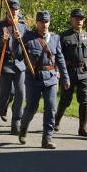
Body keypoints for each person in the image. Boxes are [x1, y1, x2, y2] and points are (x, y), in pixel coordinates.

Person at [19, 11, 69, 149]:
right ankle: (23, 127)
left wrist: (65, 78)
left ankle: (47, 139)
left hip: (51, 78)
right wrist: (18, 42)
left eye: (46, 22)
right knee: (31, 108)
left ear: (49, 22)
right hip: (34, 78)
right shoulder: (28, 38)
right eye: (41, 22)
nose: (44, 24)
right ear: (37, 23)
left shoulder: (55, 38)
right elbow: (17, 54)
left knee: (51, 109)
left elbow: (60, 59)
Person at [0, 0, 28, 136]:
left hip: (20, 64)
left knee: (21, 93)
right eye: (11, 9)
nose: (14, 11)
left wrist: (20, 39)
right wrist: (2, 40)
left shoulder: (23, 26)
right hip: (6, 64)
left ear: (19, 10)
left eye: (16, 9)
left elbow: (28, 45)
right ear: (7, 10)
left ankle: (16, 123)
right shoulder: (1, 25)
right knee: (5, 94)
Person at [56, 8, 87, 137]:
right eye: (77, 19)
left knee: (84, 100)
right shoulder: (64, 36)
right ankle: (55, 122)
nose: (79, 21)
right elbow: (58, 55)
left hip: (84, 72)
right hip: (69, 72)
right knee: (66, 99)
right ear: (71, 20)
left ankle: (82, 128)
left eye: (81, 19)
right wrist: (58, 71)